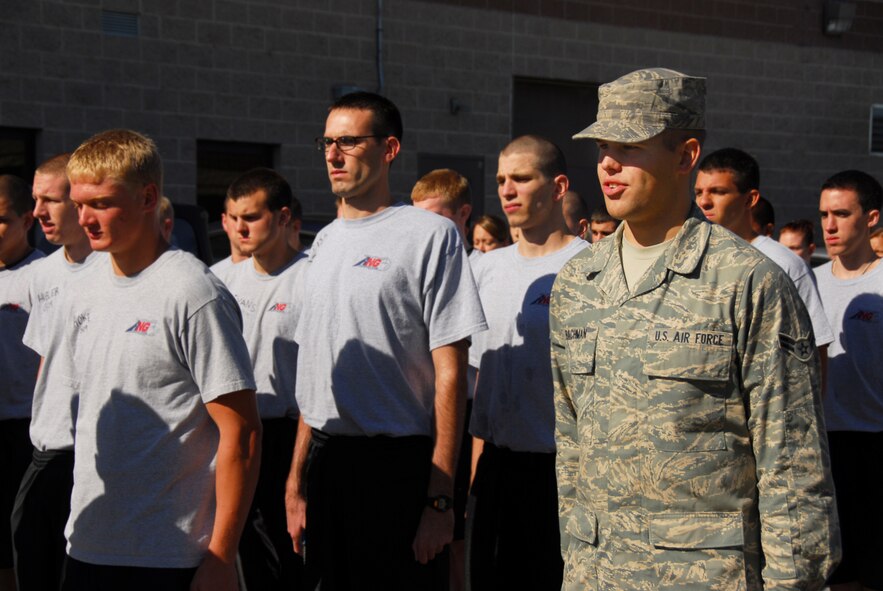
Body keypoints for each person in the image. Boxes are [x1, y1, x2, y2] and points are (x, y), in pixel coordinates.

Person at [552, 68, 839, 590]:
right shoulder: (579, 282)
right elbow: (571, 445)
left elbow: (792, 460)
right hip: (599, 573)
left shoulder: (746, 281)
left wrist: (794, 583)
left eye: (630, 146)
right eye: (601, 148)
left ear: (685, 156)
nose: (608, 164)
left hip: (703, 576)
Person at [284, 92, 486, 591]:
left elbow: (451, 373)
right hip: (327, 464)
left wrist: (441, 501)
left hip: (398, 470)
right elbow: (317, 369)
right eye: (327, 142)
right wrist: (296, 482)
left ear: (389, 149)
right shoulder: (325, 242)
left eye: (349, 142)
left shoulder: (429, 235)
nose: (333, 154)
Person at [57, 129, 261, 591]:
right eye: (78, 204)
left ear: (149, 197)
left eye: (102, 203)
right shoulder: (81, 290)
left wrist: (221, 558)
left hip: (171, 559)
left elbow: (243, 433)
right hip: (88, 547)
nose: (85, 218)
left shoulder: (193, 292)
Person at [467, 135, 587, 590]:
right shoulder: (483, 268)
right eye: (501, 180)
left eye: (521, 178)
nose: (507, 190)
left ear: (557, 187)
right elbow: (482, 381)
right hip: (494, 470)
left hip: (562, 475)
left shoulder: (591, 267)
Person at [213, 168, 308, 591]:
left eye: (251, 216)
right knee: (240, 559)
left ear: (283, 217)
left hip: (286, 437)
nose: (239, 227)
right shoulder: (219, 280)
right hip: (230, 434)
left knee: (289, 565)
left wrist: (297, 478)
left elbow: (317, 386)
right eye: (233, 217)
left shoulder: (311, 279)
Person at [12, 154, 99, 591]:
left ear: (80, 201)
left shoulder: (110, 268)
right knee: (29, 551)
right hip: (46, 446)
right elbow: (47, 358)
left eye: (52, 200)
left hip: (93, 450)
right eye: (35, 200)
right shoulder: (42, 273)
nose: (39, 212)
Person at [694, 148, 834, 360]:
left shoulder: (784, 264)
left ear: (750, 199)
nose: (704, 201)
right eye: (698, 192)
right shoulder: (690, 256)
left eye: (718, 191)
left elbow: (813, 349)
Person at [813, 170, 883, 591]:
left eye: (841, 213)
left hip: (875, 441)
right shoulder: (809, 281)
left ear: (872, 218)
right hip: (822, 444)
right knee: (833, 569)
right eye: (824, 214)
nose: (829, 225)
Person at [410, 167, 476, 591]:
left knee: (460, 535)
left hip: (468, 417)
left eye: (434, 217)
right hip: (429, 415)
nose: (424, 230)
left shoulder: (480, 266)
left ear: (463, 214)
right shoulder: (421, 267)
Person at [0, 174, 43, 591]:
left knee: (19, 541)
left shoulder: (41, 277)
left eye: (0, 220)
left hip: (23, 429)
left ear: (26, 220)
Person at [210, 193, 251, 275]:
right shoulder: (213, 277)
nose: (240, 227)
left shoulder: (282, 276)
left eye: (250, 218)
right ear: (224, 222)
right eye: (234, 218)